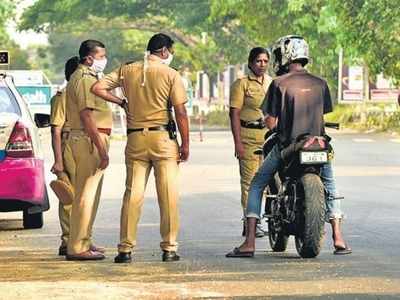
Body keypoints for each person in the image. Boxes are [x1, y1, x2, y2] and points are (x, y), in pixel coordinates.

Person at [226, 35, 351, 257]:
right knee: (330, 185)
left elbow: (271, 122)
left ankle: (250, 243)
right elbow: (320, 115)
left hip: (289, 146)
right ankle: (339, 237)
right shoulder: (320, 83)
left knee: (257, 185)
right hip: (319, 145)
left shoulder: (278, 84)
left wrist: (273, 121)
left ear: (286, 55)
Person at [91, 33, 189, 263]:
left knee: (132, 195)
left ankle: (125, 249)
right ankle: (169, 248)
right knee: (168, 195)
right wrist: (186, 144)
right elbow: (181, 113)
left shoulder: (127, 70)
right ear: (164, 51)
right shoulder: (171, 74)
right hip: (163, 139)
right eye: (170, 51)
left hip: (135, 140)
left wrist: (121, 102)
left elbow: (97, 88)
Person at [64, 39, 112, 261]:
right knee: (85, 195)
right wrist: (102, 149)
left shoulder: (88, 77)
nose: (104, 60)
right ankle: (77, 246)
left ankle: (84, 239)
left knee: (90, 194)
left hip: (89, 138)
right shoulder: (84, 79)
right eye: (101, 56)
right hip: (88, 139)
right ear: (89, 57)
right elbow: (87, 116)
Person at [229, 47, 272, 238]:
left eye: (265, 61)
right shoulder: (241, 84)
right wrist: (238, 143)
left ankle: (261, 218)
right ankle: (250, 223)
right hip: (248, 138)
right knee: (249, 183)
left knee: (268, 183)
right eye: (258, 61)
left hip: (269, 138)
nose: (262, 65)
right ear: (250, 63)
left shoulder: (272, 83)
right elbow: (234, 114)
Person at [49, 57, 79, 256]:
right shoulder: (63, 95)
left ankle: (82, 239)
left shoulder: (85, 94)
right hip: (69, 146)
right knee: (69, 195)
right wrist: (59, 160)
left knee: (84, 197)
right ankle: (68, 240)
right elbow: (56, 130)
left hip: (85, 145)